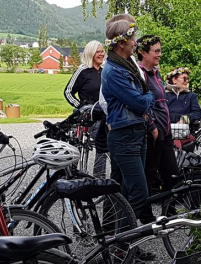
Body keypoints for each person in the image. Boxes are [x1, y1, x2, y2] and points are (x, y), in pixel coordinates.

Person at [100, 14, 155, 223]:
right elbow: (141, 102)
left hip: (134, 132)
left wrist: (145, 97)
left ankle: (123, 247)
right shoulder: (113, 71)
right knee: (139, 193)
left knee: (126, 193)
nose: (135, 43)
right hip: (125, 136)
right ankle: (120, 242)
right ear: (122, 43)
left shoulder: (124, 65)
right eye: (133, 39)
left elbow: (141, 97)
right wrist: (149, 96)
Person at [136, 35, 180, 195]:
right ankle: (144, 214)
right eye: (156, 51)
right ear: (144, 53)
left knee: (173, 174)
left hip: (165, 131)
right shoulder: (140, 74)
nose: (159, 54)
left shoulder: (156, 73)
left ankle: (170, 211)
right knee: (149, 174)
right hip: (153, 133)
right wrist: (153, 128)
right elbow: (141, 104)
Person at [64, 40, 108, 177]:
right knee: (78, 150)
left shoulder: (105, 71)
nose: (102, 54)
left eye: (102, 51)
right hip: (86, 117)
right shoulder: (83, 71)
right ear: (91, 53)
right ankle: (72, 177)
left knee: (103, 149)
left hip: (102, 115)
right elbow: (68, 92)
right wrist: (81, 107)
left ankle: (99, 179)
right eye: (98, 52)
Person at [165, 66, 201, 133]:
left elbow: (197, 113)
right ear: (174, 80)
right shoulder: (164, 95)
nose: (187, 81)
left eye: (188, 79)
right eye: (184, 78)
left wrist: (185, 119)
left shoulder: (191, 96)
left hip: (185, 131)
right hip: (166, 130)